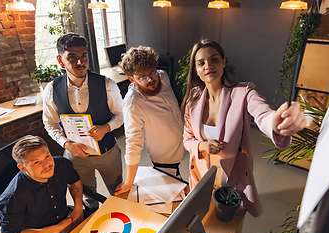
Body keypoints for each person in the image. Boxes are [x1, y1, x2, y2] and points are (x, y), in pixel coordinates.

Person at [182, 39, 307, 217]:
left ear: (224, 62)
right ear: (196, 70)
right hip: (200, 177)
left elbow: (264, 114)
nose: (208, 66)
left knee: (226, 223)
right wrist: (201, 146)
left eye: (214, 59)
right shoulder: (193, 100)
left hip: (231, 177)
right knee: (202, 218)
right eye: (201, 63)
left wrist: (277, 122)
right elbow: (187, 139)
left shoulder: (243, 92)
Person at [43, 33, 124, 209]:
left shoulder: (107, 84)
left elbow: (121, 115)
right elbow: (50, 124)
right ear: (60, 60)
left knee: (119, 194)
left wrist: (106, 128)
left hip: (108, 152)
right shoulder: (51, 89)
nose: (80, 62)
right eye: (72, 57)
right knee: (87, 198)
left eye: (84, 56)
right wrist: (66, 144)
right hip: (75, 156)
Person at [115, 46, 185, 195]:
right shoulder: (132, 103)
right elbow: (133, 143)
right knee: (173, 192)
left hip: (182, 141)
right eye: (143, 77)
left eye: (152, 72)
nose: (152, 79)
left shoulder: (163, 76)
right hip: (164, 156)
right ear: (131, 79)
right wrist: (129, 181)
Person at [0, 136, 83, 233]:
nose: (47, 165)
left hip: (67, 218)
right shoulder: (13, 197)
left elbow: (74, 181)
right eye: (36, 162)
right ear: (22, 167)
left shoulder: (62, 164)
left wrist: (78, 208)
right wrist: (57, 229)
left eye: (47, 156)